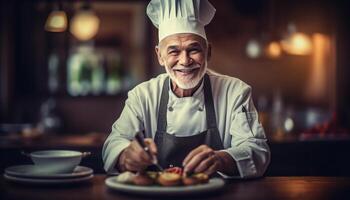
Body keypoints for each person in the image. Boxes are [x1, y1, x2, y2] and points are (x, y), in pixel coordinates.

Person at [102, 0, 270, 178]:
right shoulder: (143, 95)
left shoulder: (235, 91)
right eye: (174, 51)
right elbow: (113, 144)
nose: (185, 61)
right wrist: (127, 156)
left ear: (208, 51)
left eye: (193, 49)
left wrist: (221, 159)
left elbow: (257, 150)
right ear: (160, 55)